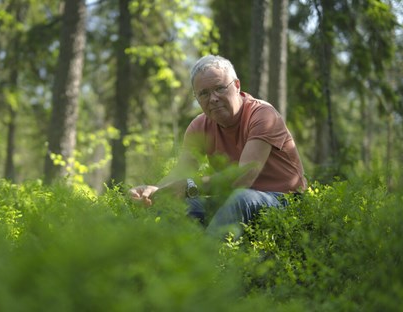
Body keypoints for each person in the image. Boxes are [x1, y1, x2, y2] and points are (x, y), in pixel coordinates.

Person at [128, 55, 307, 238]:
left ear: (237, 86)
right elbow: (182, 171)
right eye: (204, 93)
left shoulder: (262, 115)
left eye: (220, 88)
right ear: (196, 98)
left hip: (286, 200)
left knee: (240, 199)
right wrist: (154, 192)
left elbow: (244, 177)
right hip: (236, 200)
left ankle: (209, 264)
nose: (213, 98)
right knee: (178, 206)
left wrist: (191, 186)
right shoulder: (199, 126)